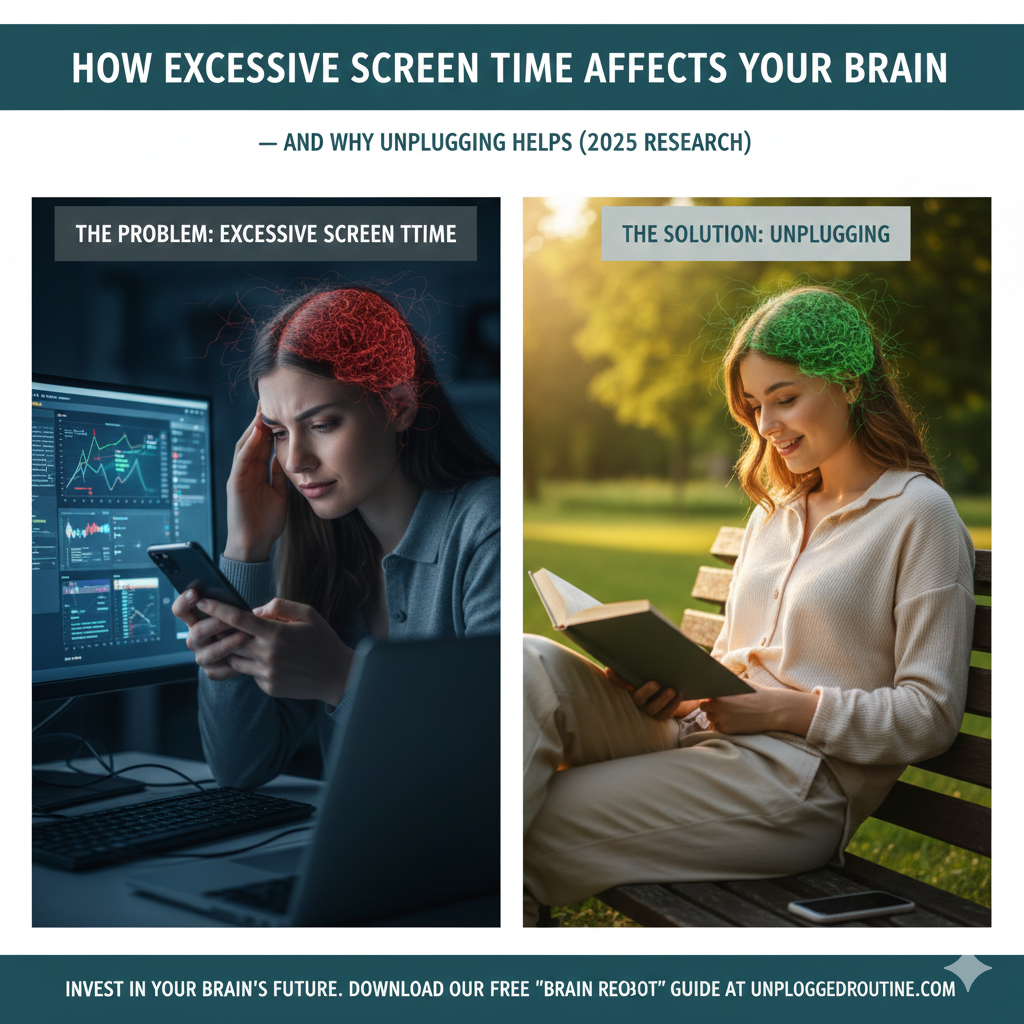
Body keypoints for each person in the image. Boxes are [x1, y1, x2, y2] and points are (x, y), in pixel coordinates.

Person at [523, 285, 975, 925]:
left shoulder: (919, 515)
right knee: (525, 666)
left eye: (784, 399)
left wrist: (787, 710)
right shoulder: (778, 512)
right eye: (755, 406)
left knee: (525, 822)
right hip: (695, 732)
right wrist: (672, 688)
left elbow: (930, 716)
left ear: (849, 382)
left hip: (795, 785)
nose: (766, 427)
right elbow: (734, 665)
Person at [173, 286, 500, 789]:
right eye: (278, 433)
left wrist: (342, 679)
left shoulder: (488, 525)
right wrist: (246, 550)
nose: (295, 460)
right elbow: (240, 767)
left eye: (322, 424)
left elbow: (498, 762)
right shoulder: (318, 546)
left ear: (400, 406)